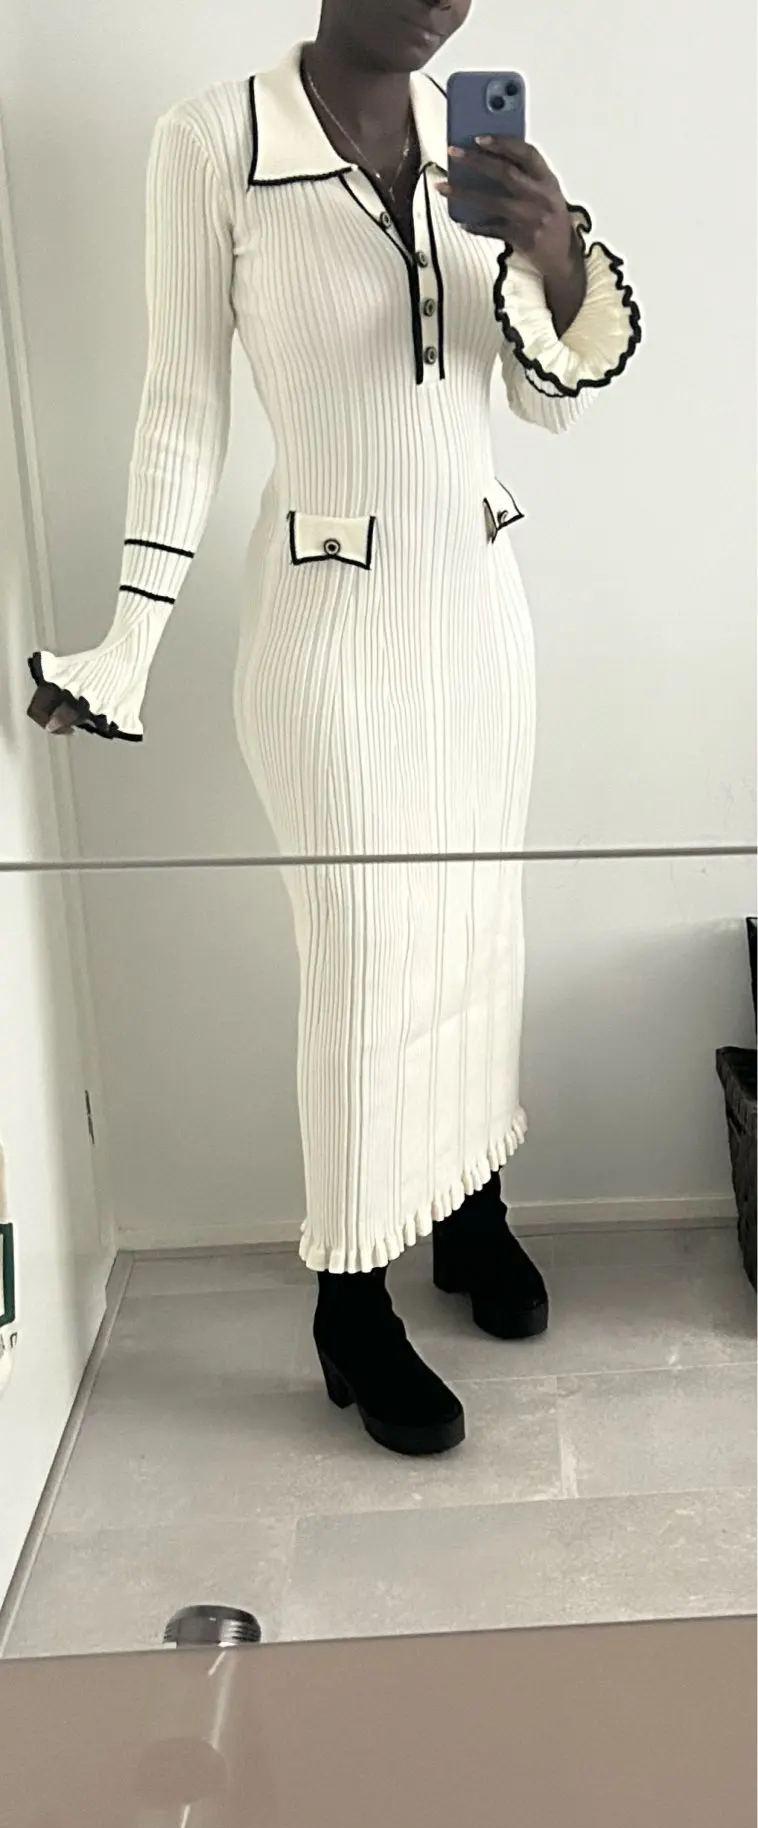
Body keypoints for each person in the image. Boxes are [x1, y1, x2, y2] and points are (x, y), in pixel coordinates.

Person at [27, 2, 641, 1457]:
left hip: (478, 611)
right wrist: (129, 640)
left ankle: (469, 1207)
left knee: (473, 928)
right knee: (365, 961)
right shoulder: (214, 139)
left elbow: (546, 402)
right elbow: (183, 407)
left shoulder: (471, 142)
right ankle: (349, 1299)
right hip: (328, 624)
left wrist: (554, 251)